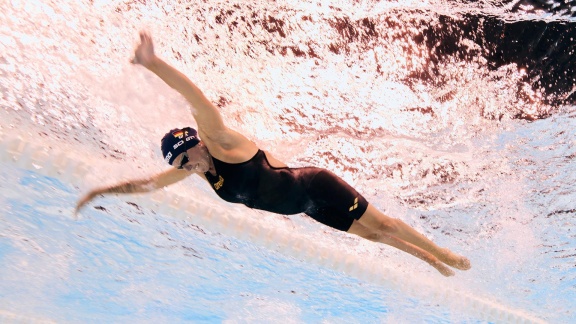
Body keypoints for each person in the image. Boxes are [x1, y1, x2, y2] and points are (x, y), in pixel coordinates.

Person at [76, 31, 471, 277]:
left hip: (315, 183)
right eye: (180, 165)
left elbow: (195, 98)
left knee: (382, 224)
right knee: (373, 238)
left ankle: (443, 254)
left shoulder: (218, 141)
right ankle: (431, 262)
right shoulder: (197, 172)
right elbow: (147, 184)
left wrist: (152, 63)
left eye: (186, 157)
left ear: (194, 143)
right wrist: (101, 193)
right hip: (307, 207)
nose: (187, 166)